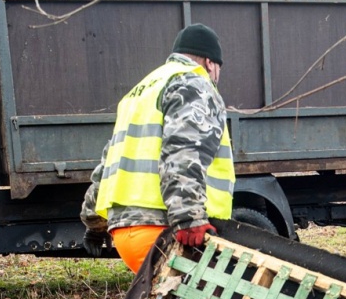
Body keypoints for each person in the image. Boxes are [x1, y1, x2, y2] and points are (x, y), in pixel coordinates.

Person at [80, 23, 234, 271]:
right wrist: (189, 217)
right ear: (210, 63)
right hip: (164, 231)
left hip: (126, 234)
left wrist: (94, 223)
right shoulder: (194, 84)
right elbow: (184, 153)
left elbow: (109, 165)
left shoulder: (141, 91)